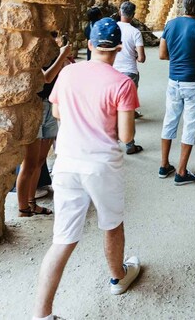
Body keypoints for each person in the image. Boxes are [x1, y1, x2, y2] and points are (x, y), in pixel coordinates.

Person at [31, 18, 141, 320]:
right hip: (102, 165)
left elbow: (56, 111)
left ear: (90, 44)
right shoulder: (122, 83)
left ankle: (41, 314)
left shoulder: (67, 74)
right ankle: (118, 275)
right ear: (118, 49)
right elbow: (126, 136)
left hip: (67, 161)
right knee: (111, 223)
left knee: (63, 238)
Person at [158, 0, 195, 185]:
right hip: (193, 83)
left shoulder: (170, 25)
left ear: (183, 4)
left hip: (174, 81)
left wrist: (177, 57)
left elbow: (162, 54)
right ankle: (181, 172)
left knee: (170, 121)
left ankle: (164, 165)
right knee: (190, 125)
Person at [17, 31, 70, 217]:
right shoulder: (34, 53)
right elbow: (45, 78)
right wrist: (63, 55)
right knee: (29, 163)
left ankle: (32, 203)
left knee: (40, 160)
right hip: (35, 107)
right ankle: (23, 208)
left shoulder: (54, 54)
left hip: (49, 105)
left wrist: (64, 59)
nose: (55, 41)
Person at [114, 1, 146, 125]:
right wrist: (136, 56)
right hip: (129, 71)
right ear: (133, 15)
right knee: (128, 100)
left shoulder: (113, 28)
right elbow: (141, 58)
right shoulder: (135, 32)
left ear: (120, 12)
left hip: (113, 69)